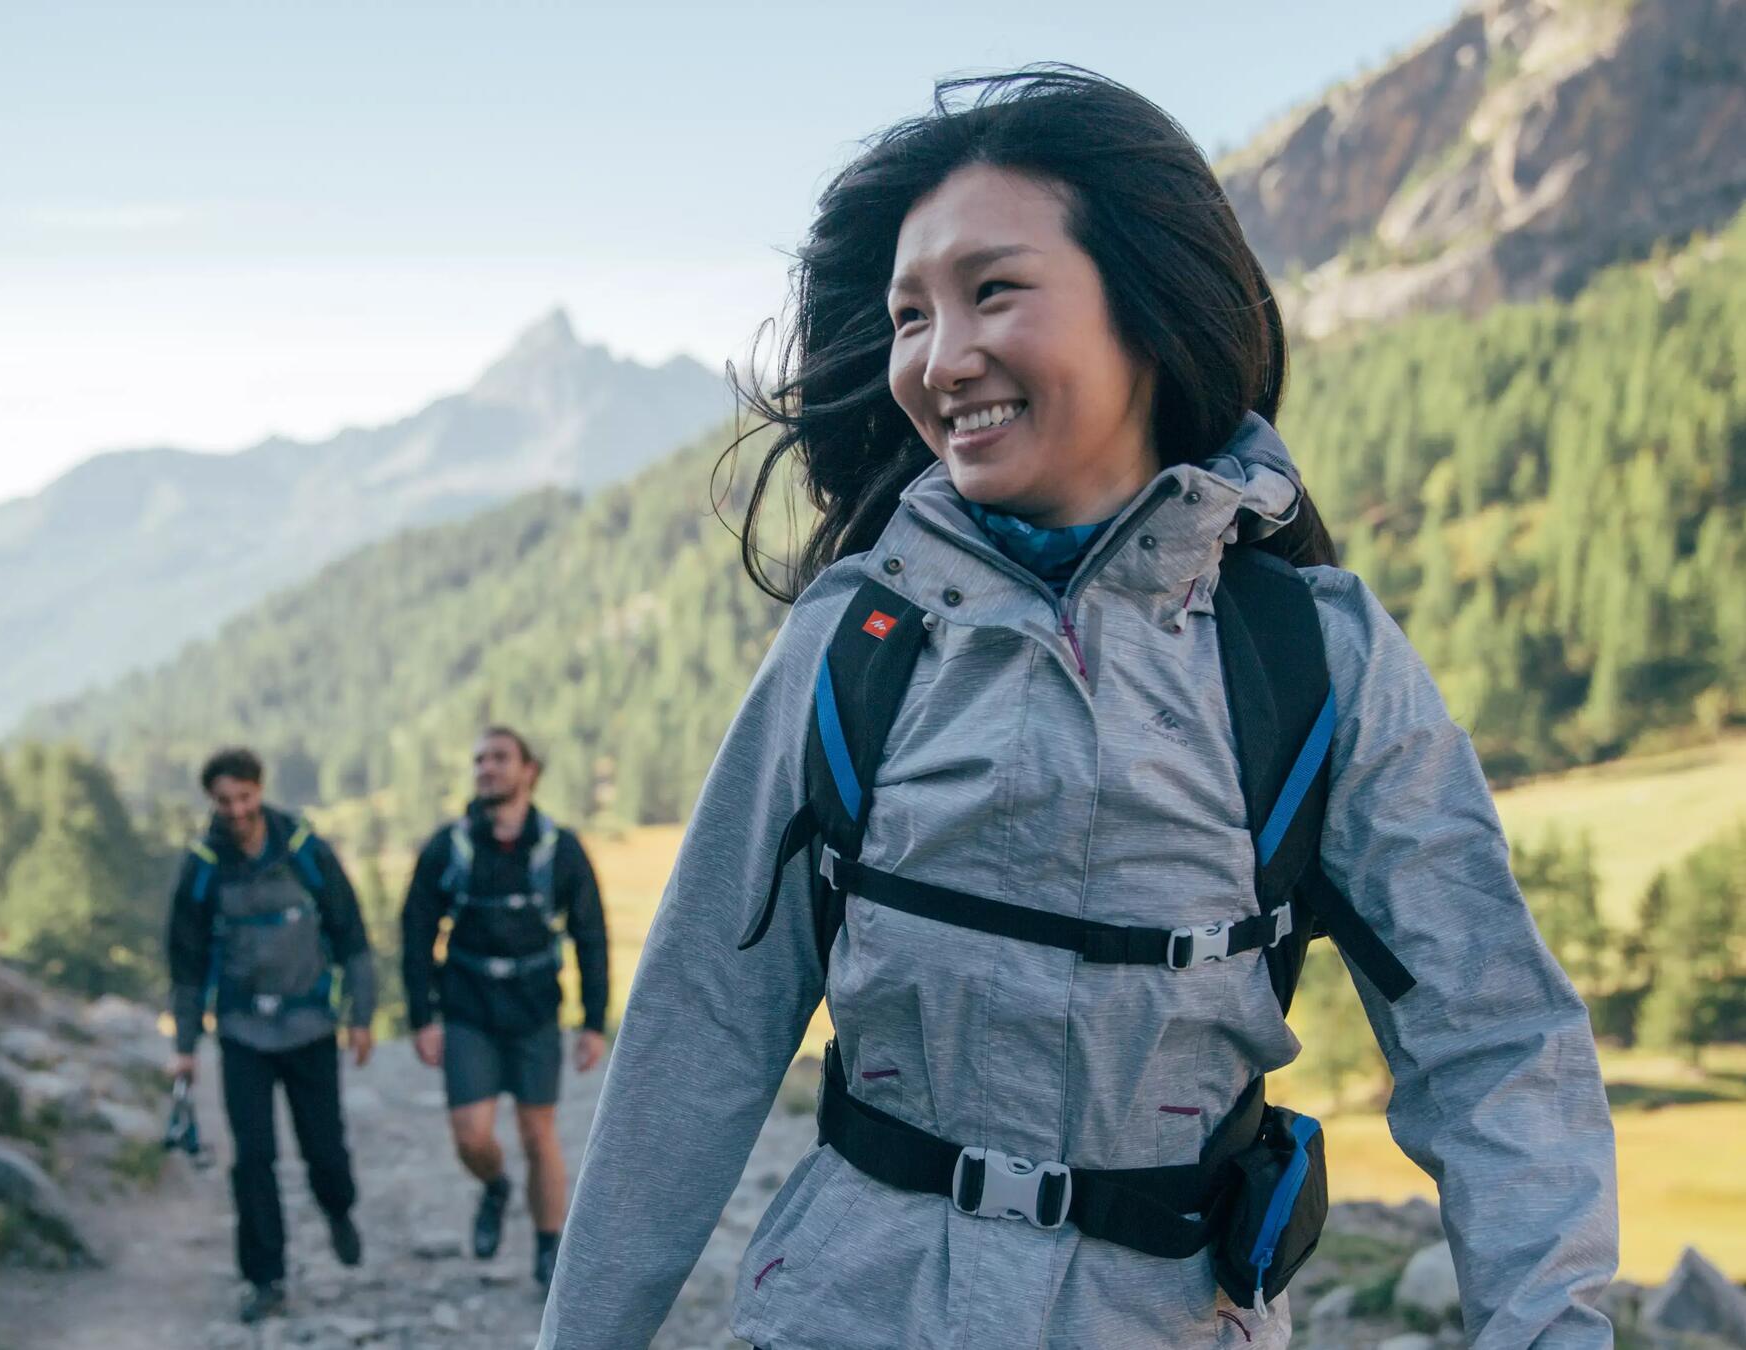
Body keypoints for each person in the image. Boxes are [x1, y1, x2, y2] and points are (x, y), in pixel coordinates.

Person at [538, 68, 1620, 1350]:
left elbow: (1493, 1038)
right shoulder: (855, 640)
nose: (943, 359)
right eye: (908, 315)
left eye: (993, 291)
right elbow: (699, 1033)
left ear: (1145, 305)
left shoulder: (1312, 657)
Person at [165, 746, 377, 1325]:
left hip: (310, 1026)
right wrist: (184, 1048)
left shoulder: (305, 850)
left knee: (324, 1150)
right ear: (212, 801)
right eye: (224, 800)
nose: (235, 810)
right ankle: (266, 1279)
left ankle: (338, 1210)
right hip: (242, 1034)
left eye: (244, 797)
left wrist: (362, 1016)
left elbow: (351, 933)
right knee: (252, 1160)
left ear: (260, 790)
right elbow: (185, 965)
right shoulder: (203, 865)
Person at [402, 726, 610, 1293]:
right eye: (479, 760)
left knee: (536, 1132)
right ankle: (495, 1187)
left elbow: (590, 934)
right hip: (467, 1008)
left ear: (528, 771)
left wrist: (594, 1022)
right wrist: (421, 1017)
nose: (486, 769)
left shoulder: (560, 848)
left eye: (499, 758)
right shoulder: (449, 847)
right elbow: (417, 930)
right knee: (471, 1135)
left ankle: (548, 1248)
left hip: (535, 1011)